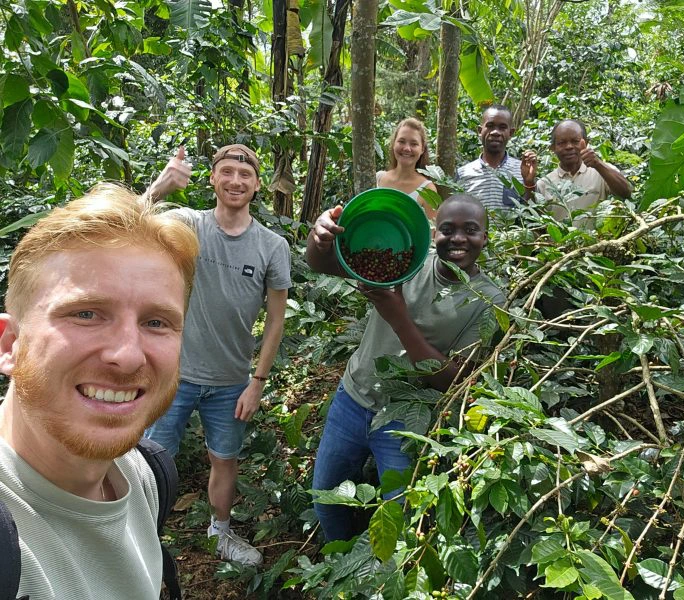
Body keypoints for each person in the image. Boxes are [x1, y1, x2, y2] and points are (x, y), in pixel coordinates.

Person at [0, 184, 199, 599]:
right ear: (9, 346)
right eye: (86, 313)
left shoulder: (148, 474)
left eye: (157, 322)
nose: (128, 357)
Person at [306, 194, 506, 541]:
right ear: (433, 235)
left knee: (398, 520)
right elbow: (323, 264)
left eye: (470, 230)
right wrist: (319, 237)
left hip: (405, 420)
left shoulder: (490, 301)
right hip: (353, 399)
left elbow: (453, 379)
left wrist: (398, 316)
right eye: (448, 229)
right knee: (327, 502)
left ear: (485, 237)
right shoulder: (407, 263)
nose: (458, 238)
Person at [143, 144, 291, 566]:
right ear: (212, 178)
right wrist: (161, 186)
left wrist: (257, 383)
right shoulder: (189, 224)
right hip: (175, 374)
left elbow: (276, 319)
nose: (235, 182)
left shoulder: (271, 245)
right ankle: (143, 538)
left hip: (231, 381)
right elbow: (127, 223)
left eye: (245, 176)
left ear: (258, 184)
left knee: (224, 460)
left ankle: (220, 535)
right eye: (226, 172)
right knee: (152, 461)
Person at [536, 119, 632, 228]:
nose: (569, 147)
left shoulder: (601, 171)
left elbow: (626, 192)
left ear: (585, 142)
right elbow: (539, 227)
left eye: (575, 141)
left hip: (597, 243)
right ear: (553, 148)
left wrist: (598, 164)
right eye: (562, 143)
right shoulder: (543, 184)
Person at [456, 104, 538, 211]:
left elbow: (532, 214)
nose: (495, 132)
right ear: (480, 131)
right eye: (490, 126)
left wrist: (529, 183)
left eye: (502, 127)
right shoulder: (463, 173)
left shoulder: (523, 170)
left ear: (511, 133)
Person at [376, 117, 437, 219]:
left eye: (414, 144)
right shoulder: (378, 178)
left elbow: (432, 233)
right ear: (394, 144)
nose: (407, 148)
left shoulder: (428, 189)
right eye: (401, 141)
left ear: (422, 149)